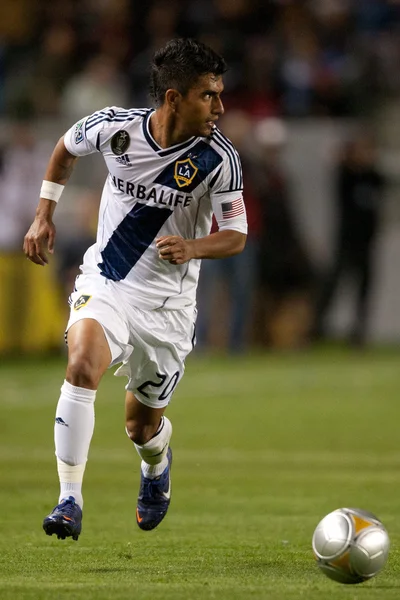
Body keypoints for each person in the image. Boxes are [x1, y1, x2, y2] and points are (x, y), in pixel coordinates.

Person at [23, 38, 247, 541]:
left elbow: (236, 235)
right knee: (81, 366)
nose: (220, 106)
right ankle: (68, 500)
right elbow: (65, 147)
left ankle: (156, 464)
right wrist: (44, 215)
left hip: (168, 308)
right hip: (110, 280)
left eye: (220, 94)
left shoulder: (219, 159)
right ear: (173, 98)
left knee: (140, 428)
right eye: (208, 95)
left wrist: (194, 248)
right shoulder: (115, 127)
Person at [313, 131, 385, 345]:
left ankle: (359, 333)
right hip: (345, 243)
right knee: (332, 287)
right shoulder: (347, 177)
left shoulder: (374, 178)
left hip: (367, 244)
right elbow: (335, 160)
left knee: (364, 290)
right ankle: (316, 329)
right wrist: (346, 155)